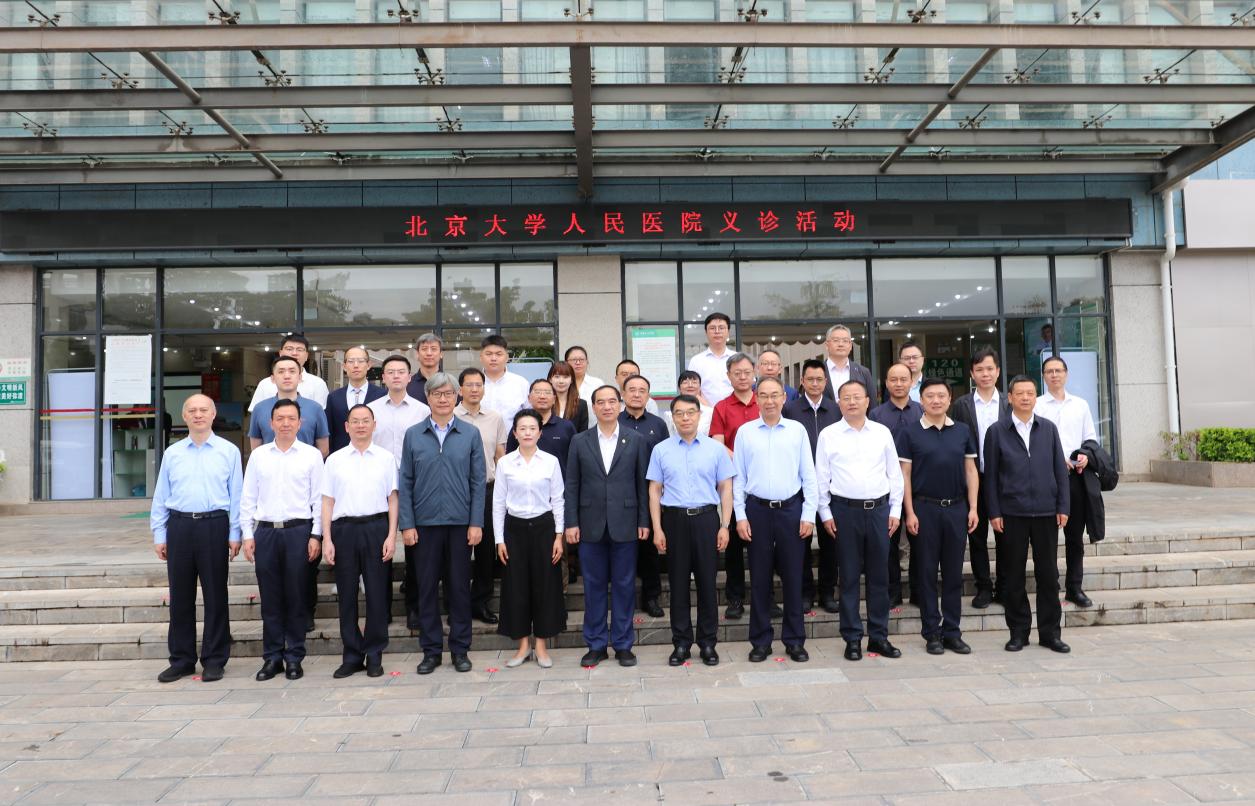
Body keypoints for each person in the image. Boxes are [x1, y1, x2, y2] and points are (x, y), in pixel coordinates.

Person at [399, 372, 487, 675]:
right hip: (423, 526)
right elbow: (405, 481)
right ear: (428, 397)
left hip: (460, 524)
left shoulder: (470, 434)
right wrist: (407, 524)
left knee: (459, 589)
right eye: (437, 393)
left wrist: (476, 522)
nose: (443, 399)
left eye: (448, 393)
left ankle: (460, 650)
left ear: (457, 396)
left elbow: (478, 482)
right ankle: (431, 650)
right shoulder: (413, 435)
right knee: (425, 589)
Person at [151, 394, 243, 684]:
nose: (198, 414)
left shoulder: (229, 451)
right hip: (179, 527)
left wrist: (235, 533)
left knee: (216, 595)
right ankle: (181, 660)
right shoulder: (173, 453)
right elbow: (161, 495)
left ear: (213, 414)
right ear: (184, 416)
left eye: (204, 410)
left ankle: (214, 659)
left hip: (214, 525)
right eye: (192, 410)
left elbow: (237, 496)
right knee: (180, 596)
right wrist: (159, 533)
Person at [816, 380, 904, 662]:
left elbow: (895, 474)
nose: (852, 402)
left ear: (868, 401)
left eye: (857, 397)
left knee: (879, 577)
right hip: (844, 512)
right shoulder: (829, 435)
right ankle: (852, 638)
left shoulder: (881, 432)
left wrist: (895, 511)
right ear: (839, 402)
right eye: (846, 397)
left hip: (879, 511)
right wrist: (825, 513)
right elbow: (821, 478)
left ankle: (878, 637)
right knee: (849, 577)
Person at [564, 385, 651, 668]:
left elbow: (642, 483)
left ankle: (624, 645)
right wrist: (571, 522)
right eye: (600, 402)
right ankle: (596, 644)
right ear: (593, 407)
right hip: (590, 525)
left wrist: (644, 520)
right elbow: (572, 484)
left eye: (612, 401)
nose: (607, 407)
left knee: (625, 586)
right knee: (593, 587)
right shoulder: (580, 441)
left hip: (626, 523)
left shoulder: (635, 440)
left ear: (620, 404)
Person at [733, 377, 818, 664]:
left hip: (791, 510)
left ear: (784, 398)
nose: (769, 401)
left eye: (775, 395)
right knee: (759, 579)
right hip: (756, 510)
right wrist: (740, 516)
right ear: (756, 398)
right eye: (764, 395)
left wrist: (808, 514)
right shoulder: (745, 433)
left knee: (793, 577)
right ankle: (760, 641)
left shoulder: (797, 431)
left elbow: (809, 475)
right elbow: (738, 478)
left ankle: (794, 640)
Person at [985, 375, 1071, 654]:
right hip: (1012, 513)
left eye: (1030, 393)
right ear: (1009, 398)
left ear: (1036, 397)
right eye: (1019, 393)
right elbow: (990, 477)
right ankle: (1018, 632)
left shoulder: (1048, 429)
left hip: (1046, 512)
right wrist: (994, 511)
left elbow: (1060, 470)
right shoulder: (997, 431)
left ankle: (1050, 634)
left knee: (1049, 576)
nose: (1025, 397)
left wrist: (1063, 506)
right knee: (1013, 577)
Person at [647, 394, 735, 667]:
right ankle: (681, 643)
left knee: (707, 583)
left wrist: (725, 525)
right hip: (674, 521)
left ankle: (708, 643)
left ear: (699, 415)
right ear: (672, 417)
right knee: (678, 584)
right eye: (679, 413)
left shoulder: (715, 449)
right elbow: (654, 490)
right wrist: (657, 529)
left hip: (707, 520)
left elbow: (726, 488)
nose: (685, 418)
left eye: (690, 412)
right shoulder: (661, 450)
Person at [240, 398, 323, 681]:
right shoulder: (259, 456)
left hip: (299, 531)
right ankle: (272, 657)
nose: (286, 423)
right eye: (280, 418)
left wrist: (316, 535)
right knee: (271, 598)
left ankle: (294, 657)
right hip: (265, 532)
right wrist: (248, 534)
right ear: (271, 423)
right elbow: (248, 497)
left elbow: (318, 500)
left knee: (297, 596)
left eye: (291, 418)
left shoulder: (311, 455)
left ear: (300, 423)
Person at [896, 378, 979, 656]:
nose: (936, 400)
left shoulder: (962, 431)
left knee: (954, 574)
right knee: (927, 573)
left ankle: (952, 632)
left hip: (956, 508)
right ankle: (931, 632)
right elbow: (905, 475)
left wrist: (973, 507)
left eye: (941, 395)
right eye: (930, 396)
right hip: (924, 509)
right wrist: (909, 512)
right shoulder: (909, 433)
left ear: (949, 399)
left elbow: (971, 471)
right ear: (921, 400)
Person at [320, 404, 398, 678]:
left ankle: (375, 654)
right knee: (347, 595)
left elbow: (393, 499)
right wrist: (327, 538)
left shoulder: (386, 458)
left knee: (377, 594)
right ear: (347, 426)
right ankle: (352, 655)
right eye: (355, 421)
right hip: (344, 530)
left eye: (366, 421)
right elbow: (327, 501)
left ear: (374, 425)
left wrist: (392, 535)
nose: (361, 425)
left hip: (376, 527)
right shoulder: (334, 460)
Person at [493, 409, 567, 669]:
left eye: (532, 428)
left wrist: (559, 536)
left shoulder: (550, 462)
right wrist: (499, 540)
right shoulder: (505, 463)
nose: (527, 433)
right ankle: (523, 646)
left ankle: (542, 646)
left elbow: (558, 500)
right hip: (514, 529)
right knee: (516, 588)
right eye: (522, 428)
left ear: (540, 432)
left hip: (544, 528)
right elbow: (498, 503)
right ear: (515, 433)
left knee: (545, 587)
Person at [367, 355, 432, 630]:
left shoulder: (422, 411)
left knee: (415, 549)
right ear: (383, 377)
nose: (395, 376)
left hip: (413, 486)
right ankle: (381, 609)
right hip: (377, 487)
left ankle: (414, 607)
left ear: (409, 377)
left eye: (401, 371)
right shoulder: (370, 410)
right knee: (378, 550)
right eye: (390, 372)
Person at [1035, 355, 1099, 608]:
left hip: (1075, 479)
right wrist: (1056, 459)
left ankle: (1074, 588)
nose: (1054, 375)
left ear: (1066, 374)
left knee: (1075, 537)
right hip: (1046, 480)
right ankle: (1050, 588)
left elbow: (1090, 439)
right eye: (1049, 371)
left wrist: (1085, 455)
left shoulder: (1080, 405)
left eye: (1058, 371)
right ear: (1043, 376)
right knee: (1047, 539)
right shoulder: (1037, 405)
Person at [949, 348, 1011, 609]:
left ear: (998, 371)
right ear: (972, 374)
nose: (985, 374)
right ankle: (983, 586)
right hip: (973, 480)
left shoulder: (1009, 402)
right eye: (979, 370)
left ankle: (1005, 587)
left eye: (989, 369)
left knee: (1006, 536)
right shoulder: (961, 405)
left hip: (1005, 481)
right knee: (976, 536)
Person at [783, 358, 842, 613]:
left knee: (831, 542)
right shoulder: (790, 409)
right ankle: (805, 593)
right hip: (801, 487)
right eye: (810, 379)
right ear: (802, 381)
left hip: (831, 485)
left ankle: (827, 593)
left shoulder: (836, 409)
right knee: (802, 542)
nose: (815, 384)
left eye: (819, 379)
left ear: (825, 382)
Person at [455, 368, 508, 626]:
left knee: (486, 551)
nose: (475, 389)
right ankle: (458, 604)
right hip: (457, 490)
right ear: (460, 389)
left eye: (479, 385)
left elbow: (500, 455)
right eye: (469, 385)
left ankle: (480, 602)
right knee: (458, 550)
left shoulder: (495, 418)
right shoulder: (450, 416)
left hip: (487, 489)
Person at [709, 353, 760, 621]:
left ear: (754, 373)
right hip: (731, 481)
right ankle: (735, 598)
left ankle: (765, 598)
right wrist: (741, 460)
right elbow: (717, 444)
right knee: (734, 547)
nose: (742, 377)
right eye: (736, 373)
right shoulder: (721, 407)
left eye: (746, 372)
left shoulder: (765, 401)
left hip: (762, 482)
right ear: (728, 376)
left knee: (762, 544)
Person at [869, 363, 924, 608]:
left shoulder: (922, 411)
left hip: (917, 487)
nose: (899, 384)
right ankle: (892, 592)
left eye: (904, 379)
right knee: (888, 544)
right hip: (885, 488)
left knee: (920, 542)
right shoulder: (876, 415)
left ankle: (918, 591)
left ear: (912, 382)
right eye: (894, 379)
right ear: (886, 382)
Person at [618, 373, 669, 617]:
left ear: (648, 396)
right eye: (632, 390)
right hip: (621, 494)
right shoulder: (614, 421)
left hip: (650, 493)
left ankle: (651, 597)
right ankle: (624, 600)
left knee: (649, 550)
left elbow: (667, 457)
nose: (637, 394)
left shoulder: (658, 425)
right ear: (623, 394)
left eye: (642, 390)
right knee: (623, 549)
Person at [249, 355, 330, 458]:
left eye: (292, 371)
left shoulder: (315, 408)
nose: (287, 376)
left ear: (300, 377)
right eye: (281, 371)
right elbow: (255, 449)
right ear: (273, 378)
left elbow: (323, 449)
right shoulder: (260, 409)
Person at [506, 379, 577, 477]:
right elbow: (510, 457)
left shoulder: (566, 427)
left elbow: (575, 461)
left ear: (554, 399)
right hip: (525, 483)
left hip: (559, 484)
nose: (542, 396)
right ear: (529, 398)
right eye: (537, 392)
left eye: (547, 392)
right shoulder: (520, 427)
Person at [248, 334, 329, 412]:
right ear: (280, 353)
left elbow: (321, 415)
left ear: (307, 356)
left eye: (299, 350)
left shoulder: (318, 384)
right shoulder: (265, 384)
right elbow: (257, 414)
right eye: (289, 349)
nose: (294, 353)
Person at [326, 346, 384, 455]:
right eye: (351, 361)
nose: (356, 365)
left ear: (368, 365)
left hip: (374, 456)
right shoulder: (334, 397)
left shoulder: (382, 395)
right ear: (344, 366)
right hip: (342, 457)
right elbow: (330, 432)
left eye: (361, 361)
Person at [480, 334, 530, 422]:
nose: (493, 358)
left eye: (498, 354)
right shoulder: (472, 384)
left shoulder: (521, 383)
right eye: (489, 354)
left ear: (507, 357)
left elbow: (530, 415)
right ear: (481, 357)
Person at [687, 312, 735, 404]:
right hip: (705, 410)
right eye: (712, 328)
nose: (717, 331)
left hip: (735, 410)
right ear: (706, 332)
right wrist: (709, 409)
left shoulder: (738, 359)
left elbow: (747, 387)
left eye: (721, 328)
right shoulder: (696, 361)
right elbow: (692, 391)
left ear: (728, 332)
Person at [820, 324, 875, 401]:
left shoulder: (863, 372)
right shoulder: (817, 371)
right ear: (827, 345)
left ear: (850, 345)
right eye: (836, 340)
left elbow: (872, 403)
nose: (841, 344)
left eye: (845, 341)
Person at [663, 370, 713, 438]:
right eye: (685, 382)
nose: (690, 385)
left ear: (699, 387)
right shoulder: (669, 414)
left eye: (694, 382)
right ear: (679, 388)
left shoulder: (710, 413)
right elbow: (669, 438)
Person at [548, 361, 590, 432]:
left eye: (565, 377)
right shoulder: (544, 402)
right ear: (550, 379)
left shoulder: (581, 405)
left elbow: (583, 433)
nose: (561, 381)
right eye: (557, 377)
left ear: (571, 380)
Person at [406, 332, 443, 405]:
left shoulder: (451, 384)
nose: (429, 353)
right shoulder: (407, 385)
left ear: (441, 354)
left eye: (433, 349)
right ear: (417, 354)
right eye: (424, 349)